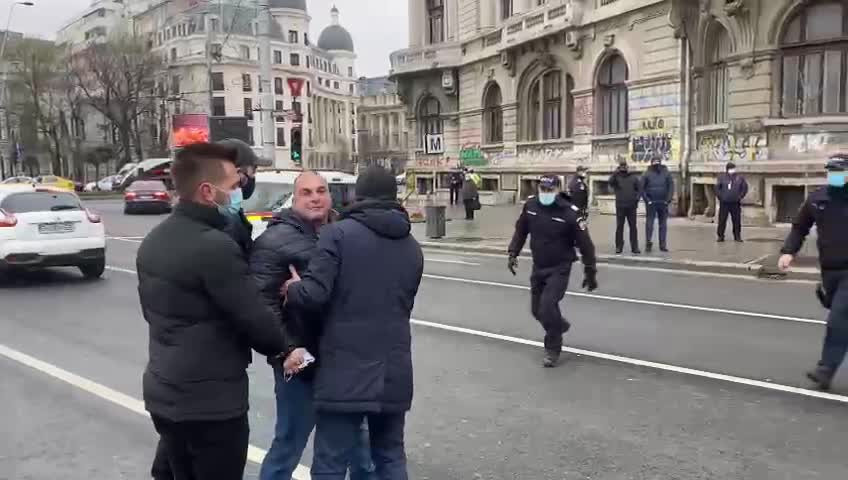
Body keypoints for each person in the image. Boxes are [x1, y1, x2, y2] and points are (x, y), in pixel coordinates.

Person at [137, 142, 294, 480]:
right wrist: (286, 345)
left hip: (165, 393)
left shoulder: (153, 240)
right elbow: (257, 323)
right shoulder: (215, 247)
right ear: (208, 192)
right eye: (234, 186)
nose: (239, 192)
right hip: (211, 404)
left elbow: (153, 313)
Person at [282, 166, 424, 480]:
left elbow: (315, 295)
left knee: (331, 462)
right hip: (394, 369)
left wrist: (294, 288)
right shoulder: (411, 246)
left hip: (345, 370)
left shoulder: (339, 234)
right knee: (390, 457)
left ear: (358, 195)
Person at [250, 171, 375, 480]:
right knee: (289, 444)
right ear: (295, 199)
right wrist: (286, 351)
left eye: (321, 191)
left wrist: (301, 287)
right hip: (301, 363)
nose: (315, 197)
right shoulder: (274, 241)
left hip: (342, 362)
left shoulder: (344, 234)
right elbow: (261, 307)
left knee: (360, 448)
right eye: (307, 192)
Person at [507, 174, 599, 368]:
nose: (545, 194)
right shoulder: (531, 206)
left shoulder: (570, 213)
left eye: (549, 190)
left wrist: (590, 272)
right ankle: (559, 325)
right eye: (542, 189)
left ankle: (552, 349)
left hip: (559, 268)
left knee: (547, 307)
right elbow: (521, 230)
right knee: (536, 310)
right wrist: (513, 253)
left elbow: (586, 246)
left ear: (557, 190)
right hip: (538, 266)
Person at [779, 155, 848, 391]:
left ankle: (825, 370)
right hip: (830, 272)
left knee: (838, 320)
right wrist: (788, 252)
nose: (834, 175)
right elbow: (800, 227)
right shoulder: (818, 199)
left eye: (839, 171)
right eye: (831, 171)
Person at [217, 138, 259, 251]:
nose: (253, 177)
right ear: (236, 173)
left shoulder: (230, 214)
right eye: (253, 171)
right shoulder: (221, 222)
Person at [641, 156, 674, 253]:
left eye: (658, 162)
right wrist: (647, 200)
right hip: (651, 203)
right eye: (654, 162)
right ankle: (648, 243)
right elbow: (641, 189)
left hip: (663, 202)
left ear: (660, 162)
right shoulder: (646, 174)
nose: (656, 164)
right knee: (649, 224)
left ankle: (663, 245)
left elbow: (671, 186)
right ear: (651, 163)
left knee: (663, 224)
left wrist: (668, 200)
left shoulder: (666, 173)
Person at [608, 160, 641, 255]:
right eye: (621, 167)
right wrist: (615, 173)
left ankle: (634, 247)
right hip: (620, 206)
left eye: (624, 166)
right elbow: (610, 182)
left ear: (627, 167)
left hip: (631, 206)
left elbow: (639, 189)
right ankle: (619, 246)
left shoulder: (633, 177)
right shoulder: (616, 177)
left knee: (633, 227)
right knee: (619, 227)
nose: (623, 168)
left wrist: (636, 199)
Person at [715, 161, 749, 243]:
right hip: (724, 203)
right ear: (727, 169)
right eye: (730, 169)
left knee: (736, 220)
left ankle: (737, 236)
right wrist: (721, 197)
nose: (732, 170)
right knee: (722, 220)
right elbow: (717, 188)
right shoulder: (722, 177)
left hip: (735, 203)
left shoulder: (739, 178)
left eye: (733, 168)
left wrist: (739, 197)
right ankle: (720, 236)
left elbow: (744, 188)